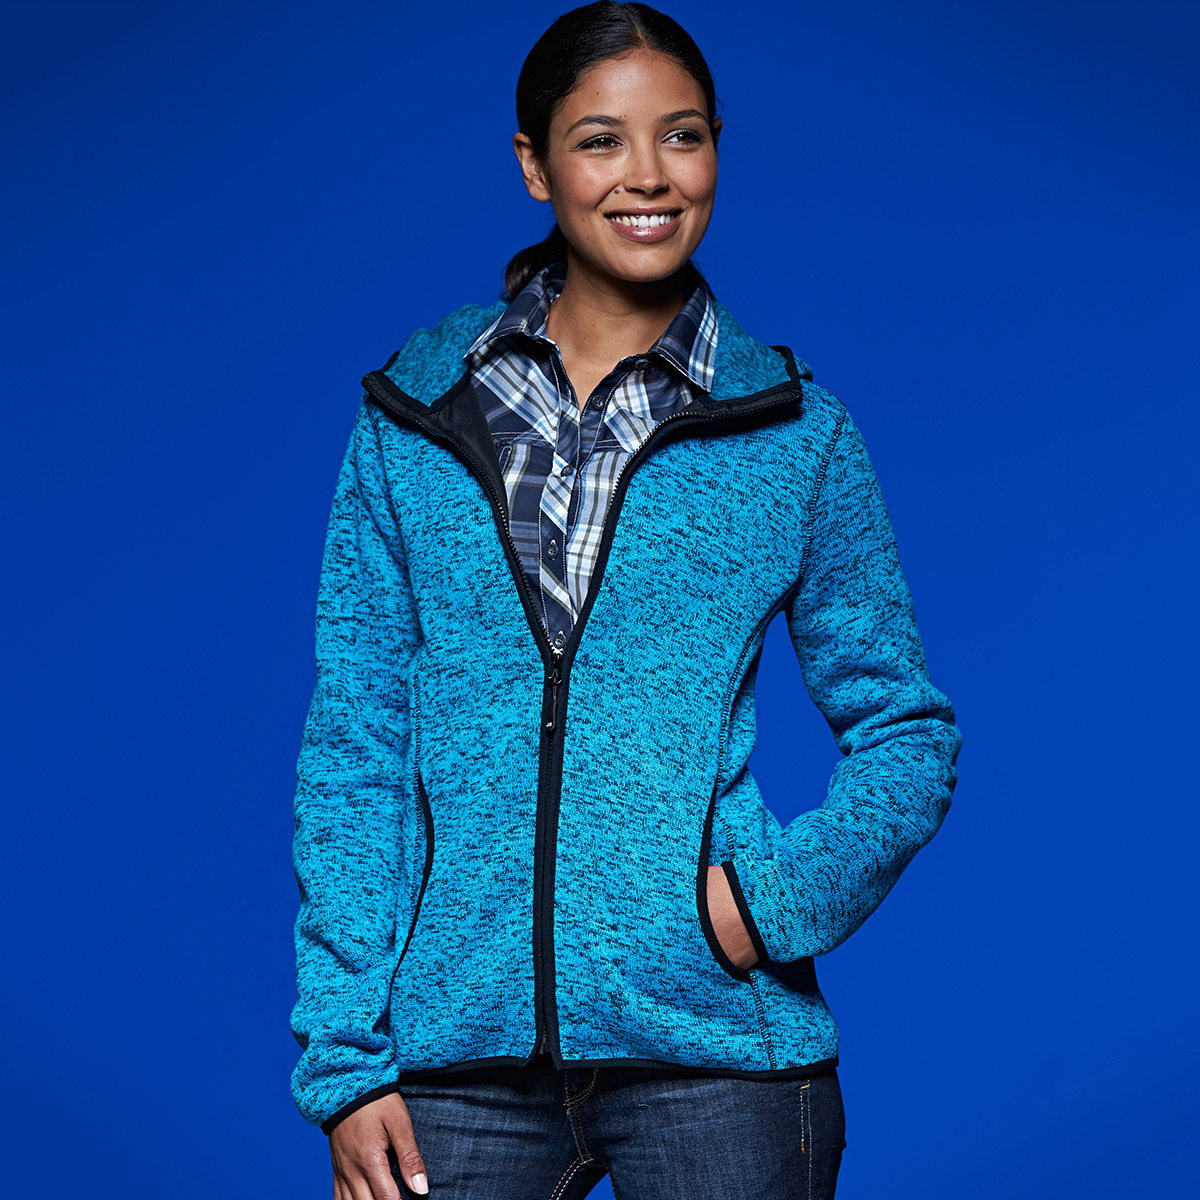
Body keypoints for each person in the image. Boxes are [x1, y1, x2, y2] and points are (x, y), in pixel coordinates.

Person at [290, 3, 960, 1197]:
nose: (648, 175)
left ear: (715, 152)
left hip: (722, 1057)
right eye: (601, 140)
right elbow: (357, 749)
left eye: (682, 135)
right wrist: (345, 1060)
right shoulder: (412, 418)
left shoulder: (798, 437)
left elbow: (907, 731)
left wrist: (766, 904)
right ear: (534, 163)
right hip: (453, 1055)